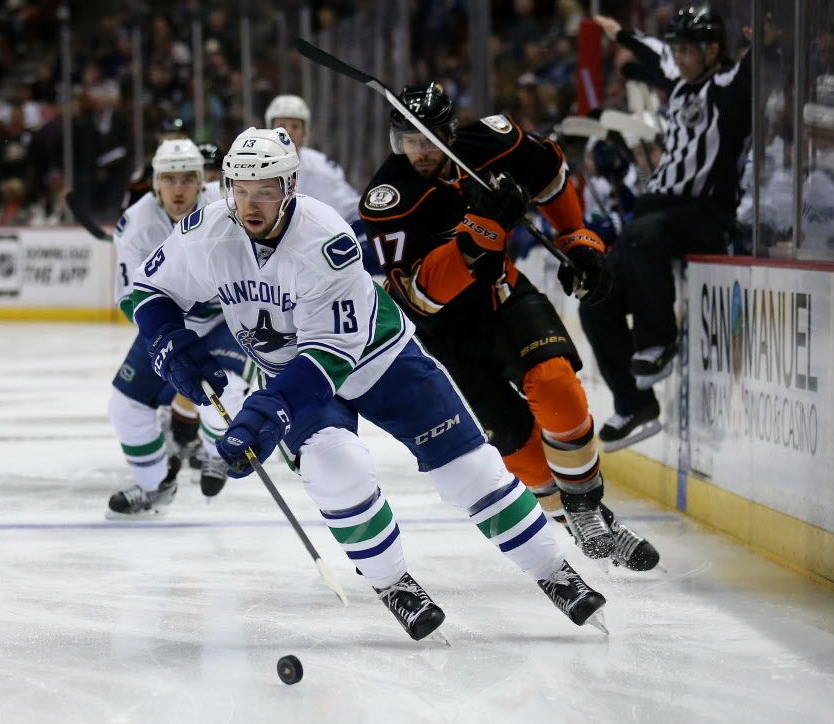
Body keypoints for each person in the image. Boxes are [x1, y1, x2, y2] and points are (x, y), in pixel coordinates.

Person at [128, 126, 607, 641]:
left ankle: (553, 571)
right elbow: (147, 291)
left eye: (264, 190)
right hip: (290, 369)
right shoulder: (206, 229)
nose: (250, 204)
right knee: (338, 469)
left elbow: (326, 361)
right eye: (239, 190)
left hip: (377, 357)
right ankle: (392, 582)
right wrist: (167, 342)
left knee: (469, 470)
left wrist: (268, 413)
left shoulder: (323, 239)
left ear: (289, 187)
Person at [360, 83, 659, 570]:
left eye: (427, 139)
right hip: (446, 339)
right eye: (409, 141)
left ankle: (583, 505)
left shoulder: (492, 141)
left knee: (556, 384)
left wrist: (578, 239)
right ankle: (588, 517)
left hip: (503, 296)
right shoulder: (389, 198)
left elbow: (550, 173)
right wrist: (482, 228)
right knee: (521, 453)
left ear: (448, 133)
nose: (418, 152)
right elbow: (422, 297)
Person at [580, 9, 753, 450]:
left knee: (642, 235)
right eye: (676, 48)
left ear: (712, 51)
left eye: (686, 49)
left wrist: (767, 41)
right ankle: (634, 402)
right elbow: (655, 54)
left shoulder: (729, 87)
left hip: (705, 212)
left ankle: (657, 343)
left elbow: (760, 70)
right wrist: (624, 35)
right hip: (657, 214)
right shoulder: (678, 85)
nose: (677, 56)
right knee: (595, 298)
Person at [106, 139, 250, 517]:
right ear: (155, 183)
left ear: (203, 181)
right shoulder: (136, 224)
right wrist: (164, 334)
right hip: (168, 325)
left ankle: (217, 449)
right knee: (125, 406)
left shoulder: (226, 212)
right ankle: (155, 486)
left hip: (225, 320)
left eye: (188, 178)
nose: (179, 189)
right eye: (169, 179)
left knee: (227, 393)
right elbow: (127, 297)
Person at [264, 95, 382, 275]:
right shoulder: (252, 164)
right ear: (269, 129)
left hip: (315, 257)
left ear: (305, 133)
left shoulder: (322, 169)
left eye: (295, 126)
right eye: (281, 125)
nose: (287, 132)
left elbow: (351, 212)